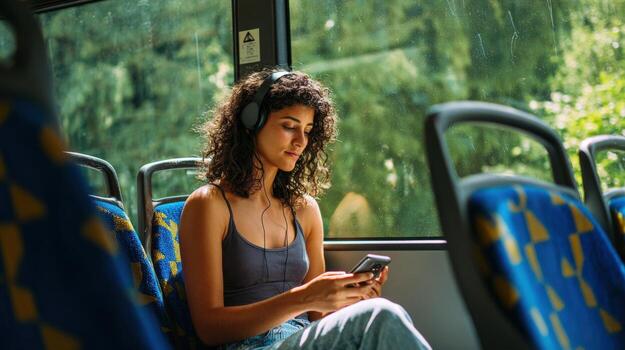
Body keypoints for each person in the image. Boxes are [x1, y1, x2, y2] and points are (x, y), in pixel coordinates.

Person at [179, 69, 431, 349]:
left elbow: (317, 315)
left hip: (302, 338)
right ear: (253, 122)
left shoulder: (305, 210)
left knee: (379, 314)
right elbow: (209, 328)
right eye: (289, 126)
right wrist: (303, 297)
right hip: (250, 347)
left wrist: (353, 297)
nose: (301, 141)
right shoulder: (209, 205)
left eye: (308, 131)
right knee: (383, 316)